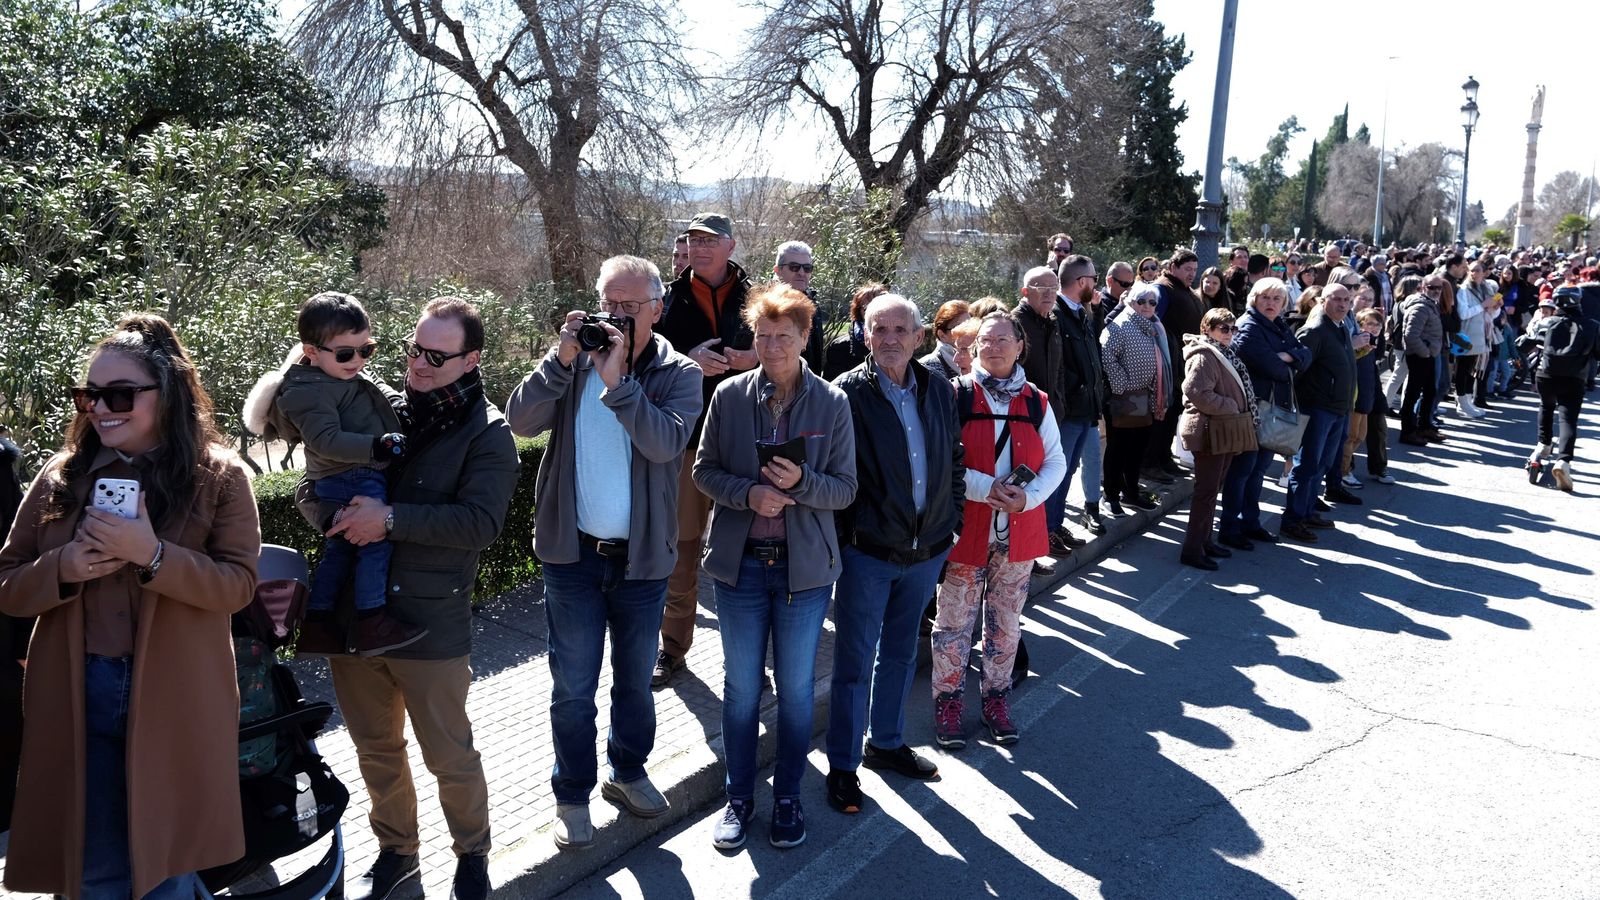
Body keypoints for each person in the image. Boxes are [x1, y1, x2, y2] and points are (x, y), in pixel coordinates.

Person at [0, 314, 260, 898]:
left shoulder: (218, 478)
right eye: (89, 394)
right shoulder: (61, 476)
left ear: (164, 395)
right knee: (89, 869)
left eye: (119, 394)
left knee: (163, 868)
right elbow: (8, 584)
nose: (100, 407)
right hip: (75, 695)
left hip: (177, 699)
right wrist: (62, 569)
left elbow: (238, 585)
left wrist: (153, 556)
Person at [300, 297, 520, 900]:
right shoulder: (376, 406)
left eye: (436, 356)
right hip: (356, 619)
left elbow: (480, 524)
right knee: (376, 751)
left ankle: (472, 855)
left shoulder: (489, 432)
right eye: (412, 349)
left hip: (430, 623)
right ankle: (398, 851)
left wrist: (390, 519)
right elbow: (312, 479)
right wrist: (329, 512)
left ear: (471, 360)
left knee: (449, 754)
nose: (417, 364)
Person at [504, 256, 704, 849]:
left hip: (641, 561)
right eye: (609, 305)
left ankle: (628, 772)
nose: (616, 318)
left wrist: (618, 382)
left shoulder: (679, 373)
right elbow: (520, 419)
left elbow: (665, 443)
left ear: (657, 310)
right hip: (573, 557)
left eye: (630, 307)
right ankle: (572, 794)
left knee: (635, 683)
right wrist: (562, 358)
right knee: (572, 685)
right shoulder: (572, 366)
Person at [693, 284, 856, 850]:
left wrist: (802, 484)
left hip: (803, 574)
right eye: (762, 337)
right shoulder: (730, 397)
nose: (771, 347)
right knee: (740, 691)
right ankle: (739, 798)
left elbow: (845, 489)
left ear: (805, 338)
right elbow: (703, 471)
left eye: (783, 337)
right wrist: (747, 496)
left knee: (792, 691)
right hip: (739, 571)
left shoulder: (832, 403)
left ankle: (787, 795)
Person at [827, 294, 964, 814]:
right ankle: (843, 766)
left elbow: (952, 458)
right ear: (864, 334)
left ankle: (885, 742)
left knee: (902, 653)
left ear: (920, 335)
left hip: (926, 551)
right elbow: (835, 475)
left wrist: (950, 523)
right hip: (868, 553)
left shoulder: (938, 389)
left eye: (900, 330)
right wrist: (846, 541)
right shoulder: (846, 394)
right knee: (853, 662)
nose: (889, 339)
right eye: (878, 329)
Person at [931, 311, 1066, 748]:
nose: (994, 347)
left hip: (1018, 534)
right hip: (966, 531)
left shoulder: (1036, 401)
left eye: (1003, 339)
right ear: (972, 347)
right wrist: (988, 488)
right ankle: (948, 702)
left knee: (1006, 625)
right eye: (986, 340)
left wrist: (1027, 497)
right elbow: (942, 461)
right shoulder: (955, 395)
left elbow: (1056, 462)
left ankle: (996, 699)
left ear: (1019, 345)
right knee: (953, 624)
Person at [268, 291, 426, 656]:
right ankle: (373, 620)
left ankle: (318, 623)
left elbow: (374, 386)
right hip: (351, 474)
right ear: (311, 352)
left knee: (339, 552)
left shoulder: (341, 372)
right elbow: (325, 440)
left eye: (365, 349)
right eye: (345, 353)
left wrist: (400, 402)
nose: (357, 360)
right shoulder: (308, 391)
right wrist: (377, 446)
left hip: (351, 473)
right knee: (375, 542)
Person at [654, 211, 760, 688]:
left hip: (749, 440)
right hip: (688, 443)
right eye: (693, 239)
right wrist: (687, 361)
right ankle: (673, 649)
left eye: (709, 240)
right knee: (682, 547)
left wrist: (756, 357)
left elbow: (799, 354)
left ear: (731, 246)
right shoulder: (667, 300)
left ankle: (751, 656)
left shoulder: (759, 299)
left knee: (750, 550)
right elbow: (644, 361)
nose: (698, 248)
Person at [1220, 278, 1308, 548]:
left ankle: (1250, 522)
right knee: (1243, 471)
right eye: (1265, 298)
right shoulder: (1248, 327)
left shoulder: (1278, 324)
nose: (1271, 303)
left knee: (1258, 471)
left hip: (1272, 410)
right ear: (1254, 299)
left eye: (1276, 299)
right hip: (1253, 410)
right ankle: (1230, 528)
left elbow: (1305, 354)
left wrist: (1288, 356)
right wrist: (1288, 357)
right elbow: (1277, 369)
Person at [1177, 308, 1257, 570]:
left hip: (1222, 429)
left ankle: (1204, 542)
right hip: (1210, 430)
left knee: (1213, 491)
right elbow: (1195, 392)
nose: (1229, 333)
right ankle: (1192, 549)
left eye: (1233, 329)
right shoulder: (1204, 354)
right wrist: (1231, 405)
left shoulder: (1221, 352)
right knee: (1206, 493)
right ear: (1207, 329)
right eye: (1224, 328)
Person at [1280, 283, 1360, 542]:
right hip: (1318, 409)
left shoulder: (1341, 327)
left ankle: (1308, 510)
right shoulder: (1314, 330)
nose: (1342, 304)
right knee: (1307, 465)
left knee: (1322, 464)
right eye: (1336, 299)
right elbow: (1298, 370)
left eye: (1347, 300)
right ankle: (1293, 519)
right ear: (1322, 301)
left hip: (1338, 408)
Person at [1014, 265, 1080, 567]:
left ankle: (1043, 537)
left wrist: (1061, 404)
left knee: (1052, 479)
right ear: (1025, 291)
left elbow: (1058, 372)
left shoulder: (1052, 321)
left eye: (1054, 287)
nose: (1050, 293)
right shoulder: (1016, 324)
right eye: (1042, 287)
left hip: (1052, 415)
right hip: (1023, 421)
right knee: (1024, 485)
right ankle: (1026, 551)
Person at [1100, 281, 1171, 515]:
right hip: (1123, 399)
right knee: (1118, 449)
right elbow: (1106, 355)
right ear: (1131, 302)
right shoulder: (1119, 325)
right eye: (1141, 301)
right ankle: (1110, 495)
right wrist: (1122, 386)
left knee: (1137, 450)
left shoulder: (1152, 327)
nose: (1147, 306)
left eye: (1152, 302)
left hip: (1146, 398)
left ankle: (1130, 492)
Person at [1523, 285, 1600, 491]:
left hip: (1545, 375)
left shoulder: (1546, 322)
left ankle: (1543, 445)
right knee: (1568, 418)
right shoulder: (1592, 326)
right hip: (1574, 377)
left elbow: (1526, 343)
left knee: (1546, 406)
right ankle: (1563, 461)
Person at [1057, 255, 1110, 536]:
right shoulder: (1056, 314)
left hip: (1088, 406)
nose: (1095, 284)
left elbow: (1092, 355)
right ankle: (1053, 525)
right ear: (1081, 282)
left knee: (1091, 457)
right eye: (1093, 278)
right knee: (1062, 470)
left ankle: (1090, 510)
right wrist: (1077, 391)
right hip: (1070, 411)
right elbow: (1060, 367)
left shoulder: (1081, 310)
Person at [1148, 249, 1205, 482]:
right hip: (1167, 361)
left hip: (1183, 362)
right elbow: (1153, 323)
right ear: (1173, 268)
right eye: (1187, 269)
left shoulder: (1186, 290)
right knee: (1161, 415)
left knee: (1173, 413)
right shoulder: (1163, 288)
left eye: (1194, 270)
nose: (1192, 274)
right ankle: (1149, 462)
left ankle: (1164, 458)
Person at [1339, 308, 1386, 488]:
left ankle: (1345, 468)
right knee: (1350, 437)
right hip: (1354, 399)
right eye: (1370, 323)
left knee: (1360, 437)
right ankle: (1343, 472)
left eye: (1378, 325)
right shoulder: (1359, 345)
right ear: (1360, 325)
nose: (1374, 328)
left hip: (1366, 398)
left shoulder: (1372, 345)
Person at [1397, 275, 1445, 447]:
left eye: (1439, 288)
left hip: (1428, 354)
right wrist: (1425, 352)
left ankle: (1424, 426)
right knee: (1413, 394)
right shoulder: (1420, 307)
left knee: (1430, 391)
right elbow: (1410, 336)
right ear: (1423, 287)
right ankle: (1408, 432)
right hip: (1419, 356)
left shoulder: (1430, 304)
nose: (1437, 291)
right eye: (1432, 287)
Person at [772, 240, 830, 373]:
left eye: (807, 268)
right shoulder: (762, 306)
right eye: (794, 267)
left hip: (809, 386)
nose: (801, 272)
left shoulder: (812, 303)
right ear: (778, 270)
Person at [821, 282, 889, 381]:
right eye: (867, 308)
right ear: (858, 311)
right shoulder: (841, 347)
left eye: (881, 307)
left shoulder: (899, 339)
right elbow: (831, 389)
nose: (874, 313)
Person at [920, 299, 972, 381]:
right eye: (959, 327)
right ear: (942, 335)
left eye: (969, 325)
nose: (966, 331)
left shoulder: (980, 360)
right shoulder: (928, 367)